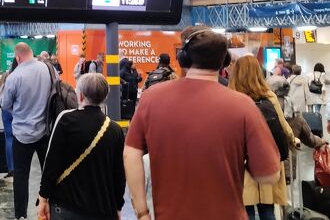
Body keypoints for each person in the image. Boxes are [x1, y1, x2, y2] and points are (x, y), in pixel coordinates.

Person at [124, 26, 281, 220]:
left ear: (184, 59)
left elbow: (130, 155)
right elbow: (269, 176)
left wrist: (142, 212)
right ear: (223, 63)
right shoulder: (243, 106)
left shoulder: (151, 98)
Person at [37, 73, 125, 220]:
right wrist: (117, 206)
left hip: (67, 206)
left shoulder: (67, 120)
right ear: (105, 97)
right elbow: (119, 175)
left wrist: (43, 197)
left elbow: (51, 164)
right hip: (102, 209)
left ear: (81, 96)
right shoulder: (115, 130)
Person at [229, 54, 296, 220]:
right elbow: (282, 124)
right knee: (267, 210)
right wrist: (293, 140)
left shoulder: (230, 96)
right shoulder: (269, 95)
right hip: (267, 158)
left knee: (246, 210)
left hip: (241, 161)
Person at [1, 43, 52, 219]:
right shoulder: (48, 69)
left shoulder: (14, 77)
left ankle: (21, 215)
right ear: (31, 53)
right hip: (45, 132)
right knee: (49, 172)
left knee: (21, 176)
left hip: (22, 134)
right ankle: (50, 208)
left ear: (18, 57)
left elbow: (5, 105)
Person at [268, 73, 326, 183]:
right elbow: (310, 139)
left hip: (265, 170)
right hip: (287, 168)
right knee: (288, 198)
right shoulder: (294, 113)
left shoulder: (263, 110)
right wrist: (322, 141)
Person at [0, 59, 19, 182]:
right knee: (21, 139)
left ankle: (11, 169)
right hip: (20, 110)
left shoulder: (7, 75)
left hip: (7, 110)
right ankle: (20, 168)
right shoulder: (24, 75)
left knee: (9, 138)